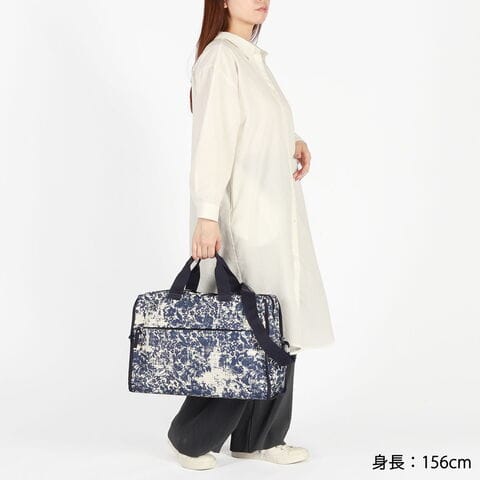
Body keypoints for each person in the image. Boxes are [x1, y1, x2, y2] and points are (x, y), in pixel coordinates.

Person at [167, 0, 335, 470]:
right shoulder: (221, 58)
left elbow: (253, 128)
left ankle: (258, 438)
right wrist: (207, 214)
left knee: (277, 327)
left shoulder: (251, 59)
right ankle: (191, 438)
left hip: (275, 217)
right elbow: (213, 141)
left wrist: (292, 140)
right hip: (246, 221)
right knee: (245, 331)